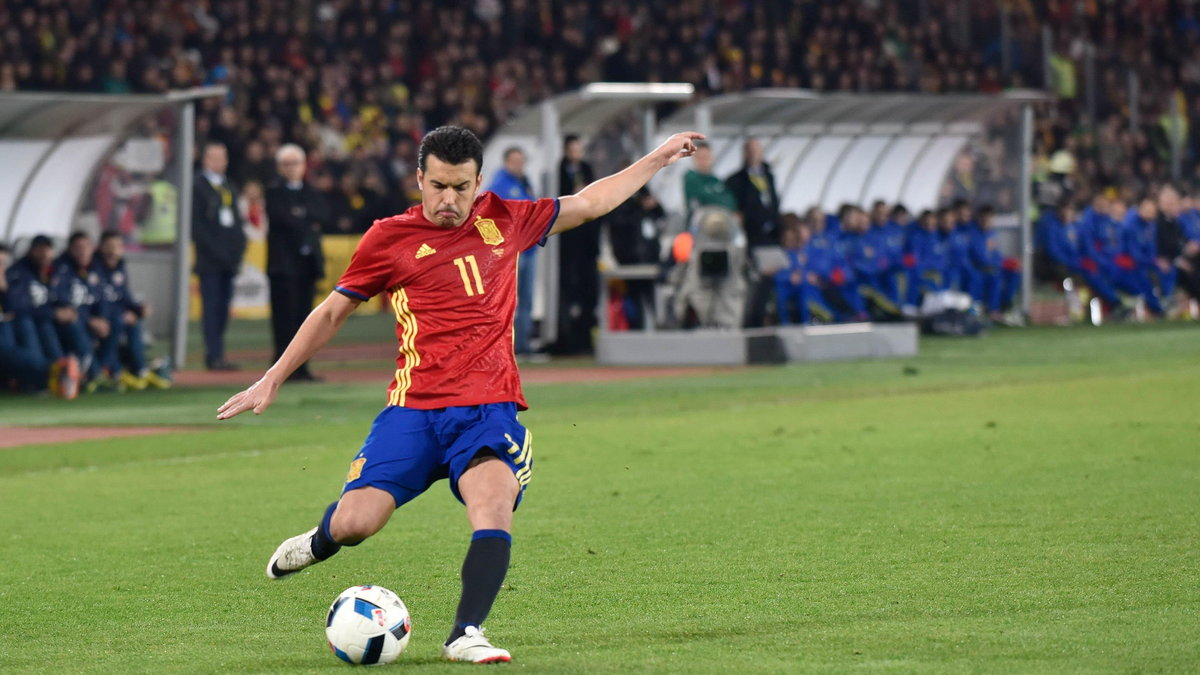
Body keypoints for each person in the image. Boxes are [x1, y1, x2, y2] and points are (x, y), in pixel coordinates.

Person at [216, 125, 702, 664]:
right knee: (357, 523)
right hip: (413, 412)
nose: (450, 200)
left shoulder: (507, 218)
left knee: (492, 506)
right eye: (440, 186)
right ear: (420, 179)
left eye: (462, 188)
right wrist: (274, 376)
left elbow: (589, 203)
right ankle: (318, 542)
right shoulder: (388, 238)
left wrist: (657, 158)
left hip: (487, 409)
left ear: (478, 183)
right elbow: (332, 312)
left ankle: (465, 632)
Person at [265, 144, 328, 382]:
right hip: (283, 265)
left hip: (307, 264)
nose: (292, 169)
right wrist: (305, 217)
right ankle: (281, 367)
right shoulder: (274, 191)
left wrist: (300, 214)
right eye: (287, 164)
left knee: (305, 319)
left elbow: (323, 214)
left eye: (296, 163)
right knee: (284, 318)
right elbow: (283, 218)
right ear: (280, 167)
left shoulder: (310, 190)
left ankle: (302, 367)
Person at [193, 140, 247, 371]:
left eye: (222, 158)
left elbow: (236, 222)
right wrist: (218, 251)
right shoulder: (197, 186)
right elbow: (197, 226)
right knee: (212, 309)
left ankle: (219, 354)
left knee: (224, 309)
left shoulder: (229, 185)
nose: (220, 162)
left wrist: (238, 249)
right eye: (215, 158)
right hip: (209, 260)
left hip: (228, 260)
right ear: (205, 160)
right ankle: (213, 355)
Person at [0, 243, 80, 398]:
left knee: (18, 326)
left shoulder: (7, 287)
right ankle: (54, 370)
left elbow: (14, 309)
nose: (1, 268)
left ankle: (40, 379)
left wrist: (4, 290)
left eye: (3, 264)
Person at [93, 231, 170, 390]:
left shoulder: (120, 269)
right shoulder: (94, 270)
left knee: (134, 321)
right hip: (99, 318)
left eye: (117, 247)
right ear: (101, 248)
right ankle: (111, 372)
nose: (113, 251)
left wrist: (138, 309)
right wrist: (121, 313)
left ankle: (139, 369)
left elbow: (125, 298)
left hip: (115, 317)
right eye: (109, 247)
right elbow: (97, 301)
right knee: (119, 321)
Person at [486, 147, 538, 356]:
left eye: (521, 161)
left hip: (528, 250)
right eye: (514, 161)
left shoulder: (524, 183)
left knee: (525, 301)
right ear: (506, 162)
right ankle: (502, 347)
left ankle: (523, 346)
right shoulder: (499, 185)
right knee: (508, 301)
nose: (518, 165)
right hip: (511, 252)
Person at [554, 134, 600, 354]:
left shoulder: (587, 170)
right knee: (567, 292)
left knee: (589, 293)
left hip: (587, 245)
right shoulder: (558, 172)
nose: (577, 153)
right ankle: (566, 339)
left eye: (579, 149)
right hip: (567, 245)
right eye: (573, 149)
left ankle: (586, 340)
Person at [51, 232, 114, 390]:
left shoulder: (96, 268)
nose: (83, 251)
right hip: (68, 321)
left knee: (117, 321)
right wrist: (89, 320)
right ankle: (94, 375)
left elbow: (103, 298)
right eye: (78, 248)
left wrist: (102, 318)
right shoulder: (61, 268)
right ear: (70, 249)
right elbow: (61, 301)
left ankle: (110, 370)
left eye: (87, 247)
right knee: (75, 324)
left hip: (90, 320)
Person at [724, 137, 780, 247]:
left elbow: (773, 200)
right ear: (745, 154)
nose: (754, 154)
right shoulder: (736, 180)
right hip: (750, 233)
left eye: (757, 150)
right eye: (750, 151)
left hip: (771, 233)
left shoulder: (769, 176)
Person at [682, 140, 736, 225]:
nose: (704, 161)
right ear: (694, 158)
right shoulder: (690, 178)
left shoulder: (715, 180)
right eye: (701, 157)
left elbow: (730, 202)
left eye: (707, 157)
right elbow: (703, 201)